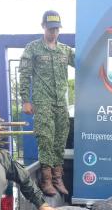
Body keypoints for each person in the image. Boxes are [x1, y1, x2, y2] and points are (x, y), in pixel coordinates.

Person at [19, 10, 75, 196]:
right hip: (42, 102)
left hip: (61, 103)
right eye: (51, 29)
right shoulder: (33, 48)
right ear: (43, 26)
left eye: (57, 29)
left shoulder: (65, 50)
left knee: (60, 139)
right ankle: (46, 179)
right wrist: (25, 100)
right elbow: (25, 74)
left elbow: (83, 63)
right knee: (45, 139)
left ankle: (58, 177)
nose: (54, 32)